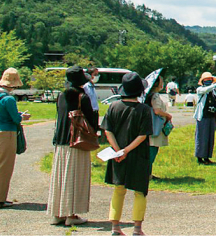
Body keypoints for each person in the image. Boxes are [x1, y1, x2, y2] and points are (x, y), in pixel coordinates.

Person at [102, 72, 153, 236]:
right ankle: (137, 229)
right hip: (138, 155)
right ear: (140, 90)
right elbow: (143, 135)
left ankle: (115, 227)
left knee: (119, 190)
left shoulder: (113, 106)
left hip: (117, 156)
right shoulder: (144, 109)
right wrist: (127, 150)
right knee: (139, 191)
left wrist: (118, 151)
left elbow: (107, 130)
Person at [47, 66, 98, 226]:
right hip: (76, 141)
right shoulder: (82, 97)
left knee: (60, 178)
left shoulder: (61, 96)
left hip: (60, 141)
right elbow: (92, 121)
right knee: (75, 178)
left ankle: (58, 213)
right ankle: (72, 215)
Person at [0, 68, 31, 209]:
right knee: (3, 168)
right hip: (6, 134)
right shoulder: (9, 99)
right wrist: (22, 117)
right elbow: (15, 119)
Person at [194, 72, 216, 165]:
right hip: (203, 117)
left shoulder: (214, 90)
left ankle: (207, 157)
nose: (208, 81)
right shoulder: (200, 89)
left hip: (212, 116)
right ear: (203, 81)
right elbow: (206, 90)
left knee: (210, 138)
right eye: (206, 79)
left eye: (210, 79)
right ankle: (200, 157)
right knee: (201, 137)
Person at [147, 76, 172, 172]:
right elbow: (156, 110)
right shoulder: (155, 95)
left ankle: (148, 173)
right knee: (152, 150)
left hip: (151, 125)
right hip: (156, 125)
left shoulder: (149, 95)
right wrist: (168, 115)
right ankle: (147, 174)